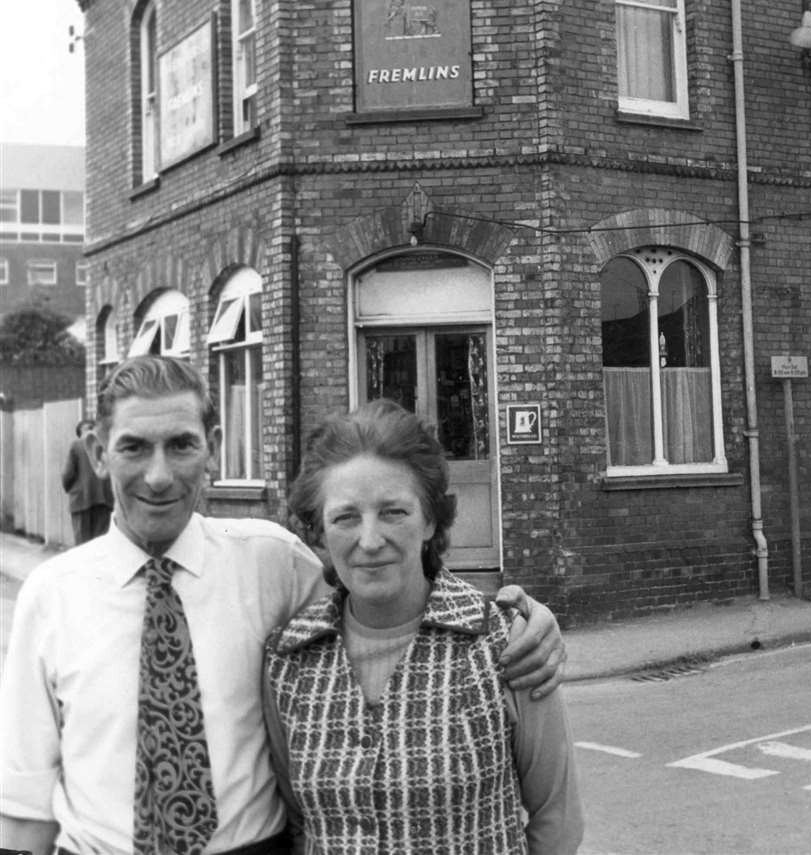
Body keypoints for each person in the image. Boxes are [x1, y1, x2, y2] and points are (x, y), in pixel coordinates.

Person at [0, 357, 566, 855]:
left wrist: (519, 617)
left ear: (212, 448)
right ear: (99, 454)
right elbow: (25, 802)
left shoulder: (268, 560)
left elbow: (384, 593)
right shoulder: (51, 596)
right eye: (133, 447)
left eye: (181, 444)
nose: (158, 474)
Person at [263, 400, 584, 854]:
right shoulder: (289, 661)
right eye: (345, 517)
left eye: (394, 512)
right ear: (318, 533)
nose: (370, 541)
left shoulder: (503, 643)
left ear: (431, 519)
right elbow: (298, 825)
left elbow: (558, 820)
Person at [60, 417, 114, 543]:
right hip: (104, 500)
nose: (92, 430)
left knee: (82, 545)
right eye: (89, 427)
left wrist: (72, 490)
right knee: (100, 544)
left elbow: (67, 474)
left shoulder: (76, 445)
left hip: (81, 500)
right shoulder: (106, 444)